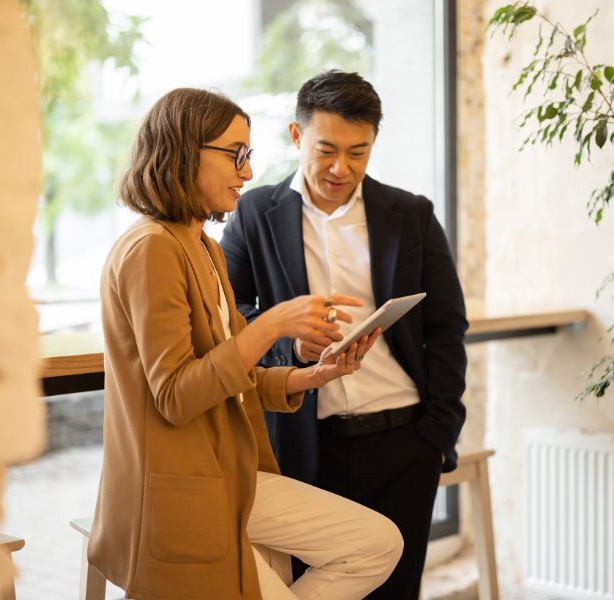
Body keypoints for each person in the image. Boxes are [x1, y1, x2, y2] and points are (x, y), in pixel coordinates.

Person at [87, 87, 403, 600]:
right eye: (235, 155)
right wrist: (273, 323)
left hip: (230, 475)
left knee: (377, 543)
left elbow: (235, 377)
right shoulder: (150, 250)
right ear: (184, 151)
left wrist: (311, 375)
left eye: (248, 156)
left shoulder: (203, 248)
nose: (248, 172)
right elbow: (176, 395)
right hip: (182, 494)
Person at [221, 71, 468, 599]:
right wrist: (289, 343)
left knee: (396, 592)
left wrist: (438, 431)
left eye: (358, 152)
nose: (341, 168)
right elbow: (227, 313)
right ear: (296, 136)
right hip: (301, 446)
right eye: (326, 149)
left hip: (405, 440)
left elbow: (447, 326)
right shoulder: (253, 214)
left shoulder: (412, 215)